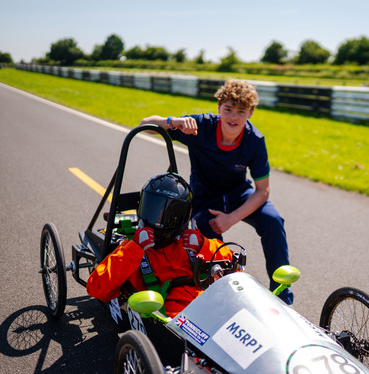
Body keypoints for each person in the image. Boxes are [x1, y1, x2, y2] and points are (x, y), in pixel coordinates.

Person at [139, 79, 293, 304]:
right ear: (219, 107)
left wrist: (231, 219)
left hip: (238, 194)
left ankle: (283, 297)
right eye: (228, 109)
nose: (233, 117)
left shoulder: (255, 140)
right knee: (211, 246)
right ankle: (225, 299)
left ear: (251, 113)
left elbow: (262, 191)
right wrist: (173, 121)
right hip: (205, 198)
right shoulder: (200, 126)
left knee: (273, 220)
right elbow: (146, 123)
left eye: (241, 111)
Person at [86, 172, 236, 318]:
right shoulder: (130, 250)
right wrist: (135, 248)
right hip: (176, 320)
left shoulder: (191, 243)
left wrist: (203, 245)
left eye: (168, 215)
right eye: (153, 210)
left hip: (211, 307)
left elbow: (235, 269)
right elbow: (96, 288)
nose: (159, 220)